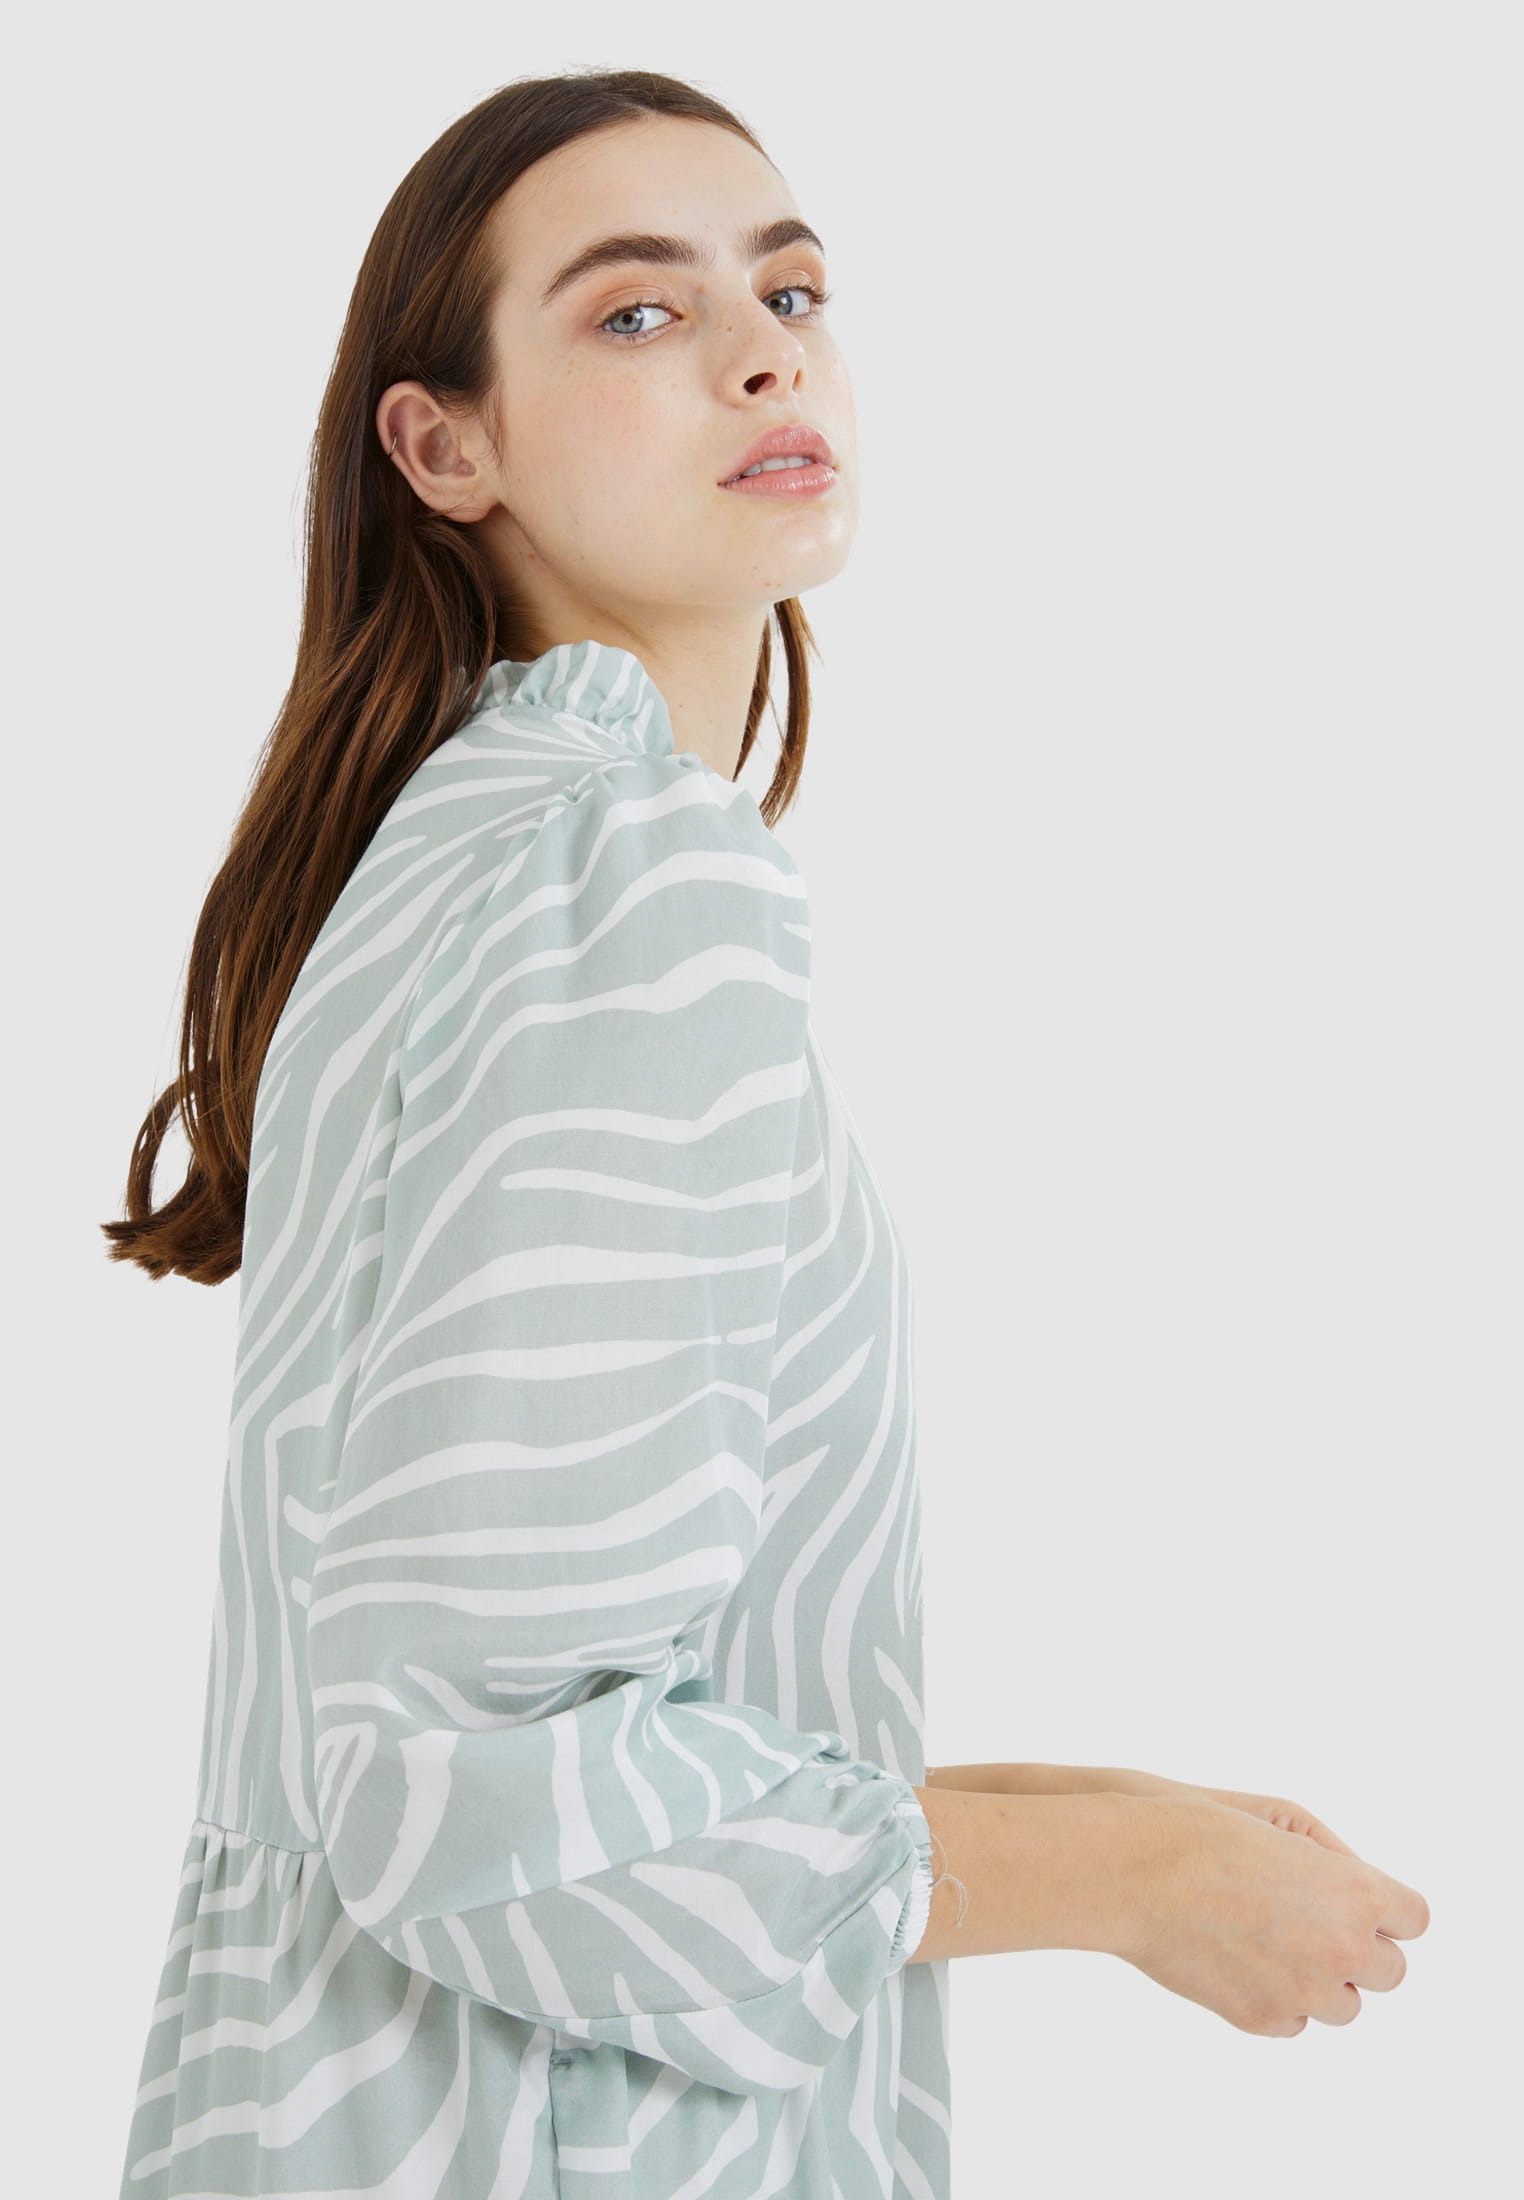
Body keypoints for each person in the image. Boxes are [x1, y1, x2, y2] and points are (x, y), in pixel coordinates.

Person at [104, 66, 1430, 2200]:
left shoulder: (462, 850)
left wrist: (1101, 1812)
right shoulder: (631, 875)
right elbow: (482, 1788)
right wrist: (1123, 1888)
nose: (761, 353)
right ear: (444, 448)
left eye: (792, 291)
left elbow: (485, 1694)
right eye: (640, 312)